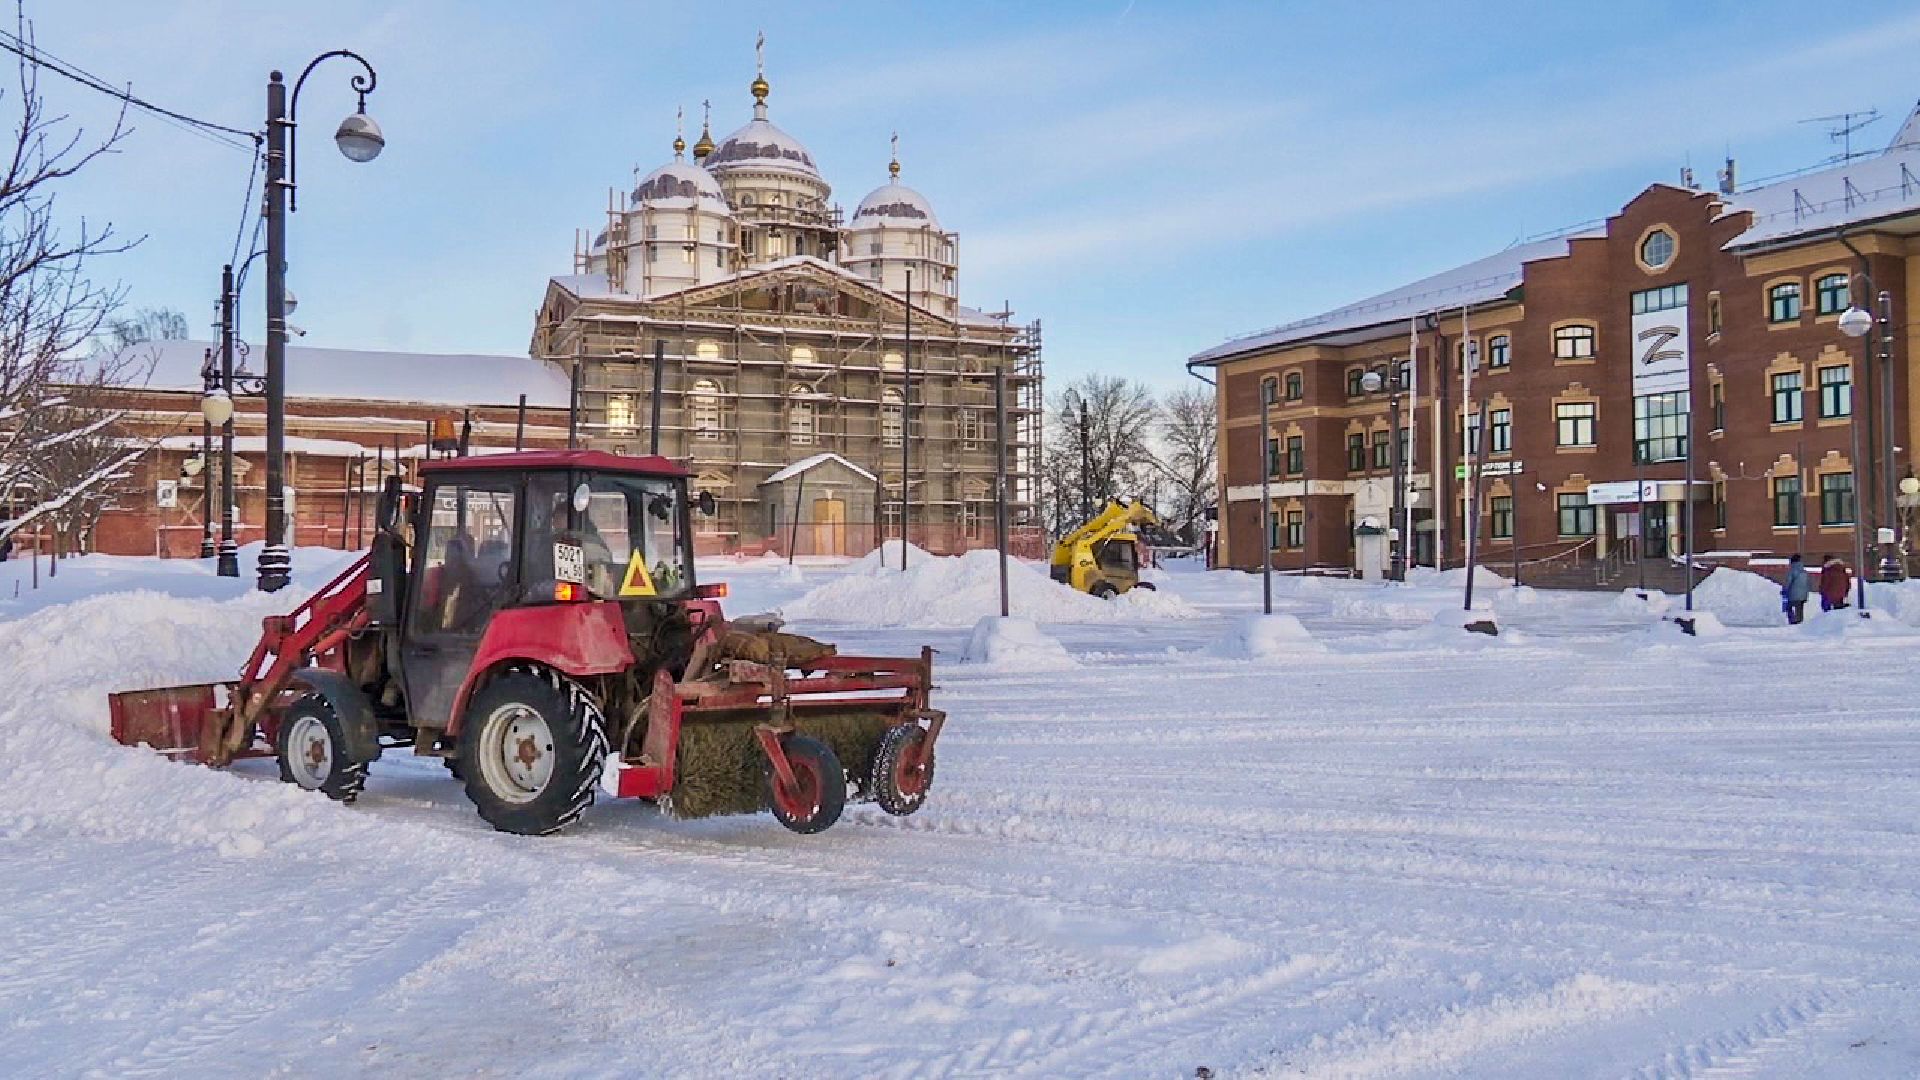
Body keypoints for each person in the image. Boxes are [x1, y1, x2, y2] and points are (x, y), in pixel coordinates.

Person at [1781, 554, 1812, 625]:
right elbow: (1808, 583)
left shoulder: (1792, 571)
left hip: (1793, 594)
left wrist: (1784, 590)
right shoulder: (1804, 572)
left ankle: (1792, 621)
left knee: (1789, 607)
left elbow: (1788, 582)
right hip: (1803, 595)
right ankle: (1799, 622)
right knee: (1800, 609)